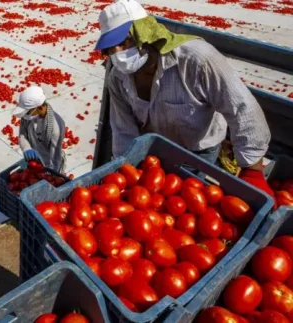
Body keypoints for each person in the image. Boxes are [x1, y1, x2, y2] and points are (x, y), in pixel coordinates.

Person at [95, 0, 275, 200]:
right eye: (111, 49)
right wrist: (127, 171)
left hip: (197, 153)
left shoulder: (197, 61)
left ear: (145, 34)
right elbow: (123, 131)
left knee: (191, 199)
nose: (118, 54)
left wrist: (252, 171)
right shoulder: (118, 78)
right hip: (154, 155)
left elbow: (242, 108)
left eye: (125, 42)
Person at [12, 86, 66, 173]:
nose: (25, 115)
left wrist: (51, 175)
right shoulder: (28, 116)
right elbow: (22, 134)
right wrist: (26, 148)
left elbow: (55, 159)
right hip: (35, 160)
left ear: (40, 107)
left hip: (51, 161)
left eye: (28, 112)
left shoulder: (56, 127)